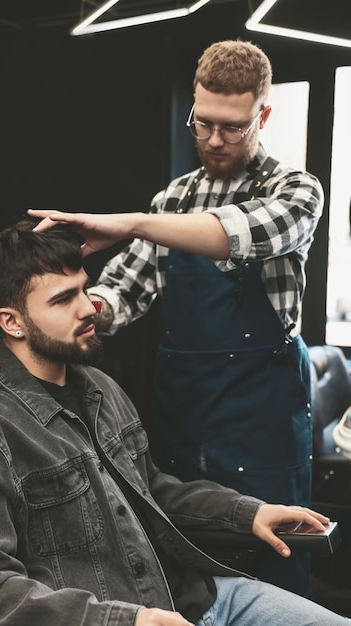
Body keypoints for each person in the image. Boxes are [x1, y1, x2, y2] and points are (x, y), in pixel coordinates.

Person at [0, 218, 345, 626]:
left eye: (83, 288)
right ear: (12, 322)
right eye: (63, 299)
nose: (89, 306)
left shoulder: (98, 386)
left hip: (202, 597)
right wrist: (126, 620)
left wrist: (246, 514)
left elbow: (152, 492)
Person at [29, 39, 324, 596]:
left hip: (262, 419)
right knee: (186, 562)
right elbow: (125, 287)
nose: (213, 139)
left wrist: (131, 222)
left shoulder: (295, 191)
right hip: (185, 413)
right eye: (202, 122)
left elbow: (234, 234)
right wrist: (80, 310)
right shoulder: (171, 200)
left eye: (232, 127)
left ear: (263, 114)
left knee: (271, 555)